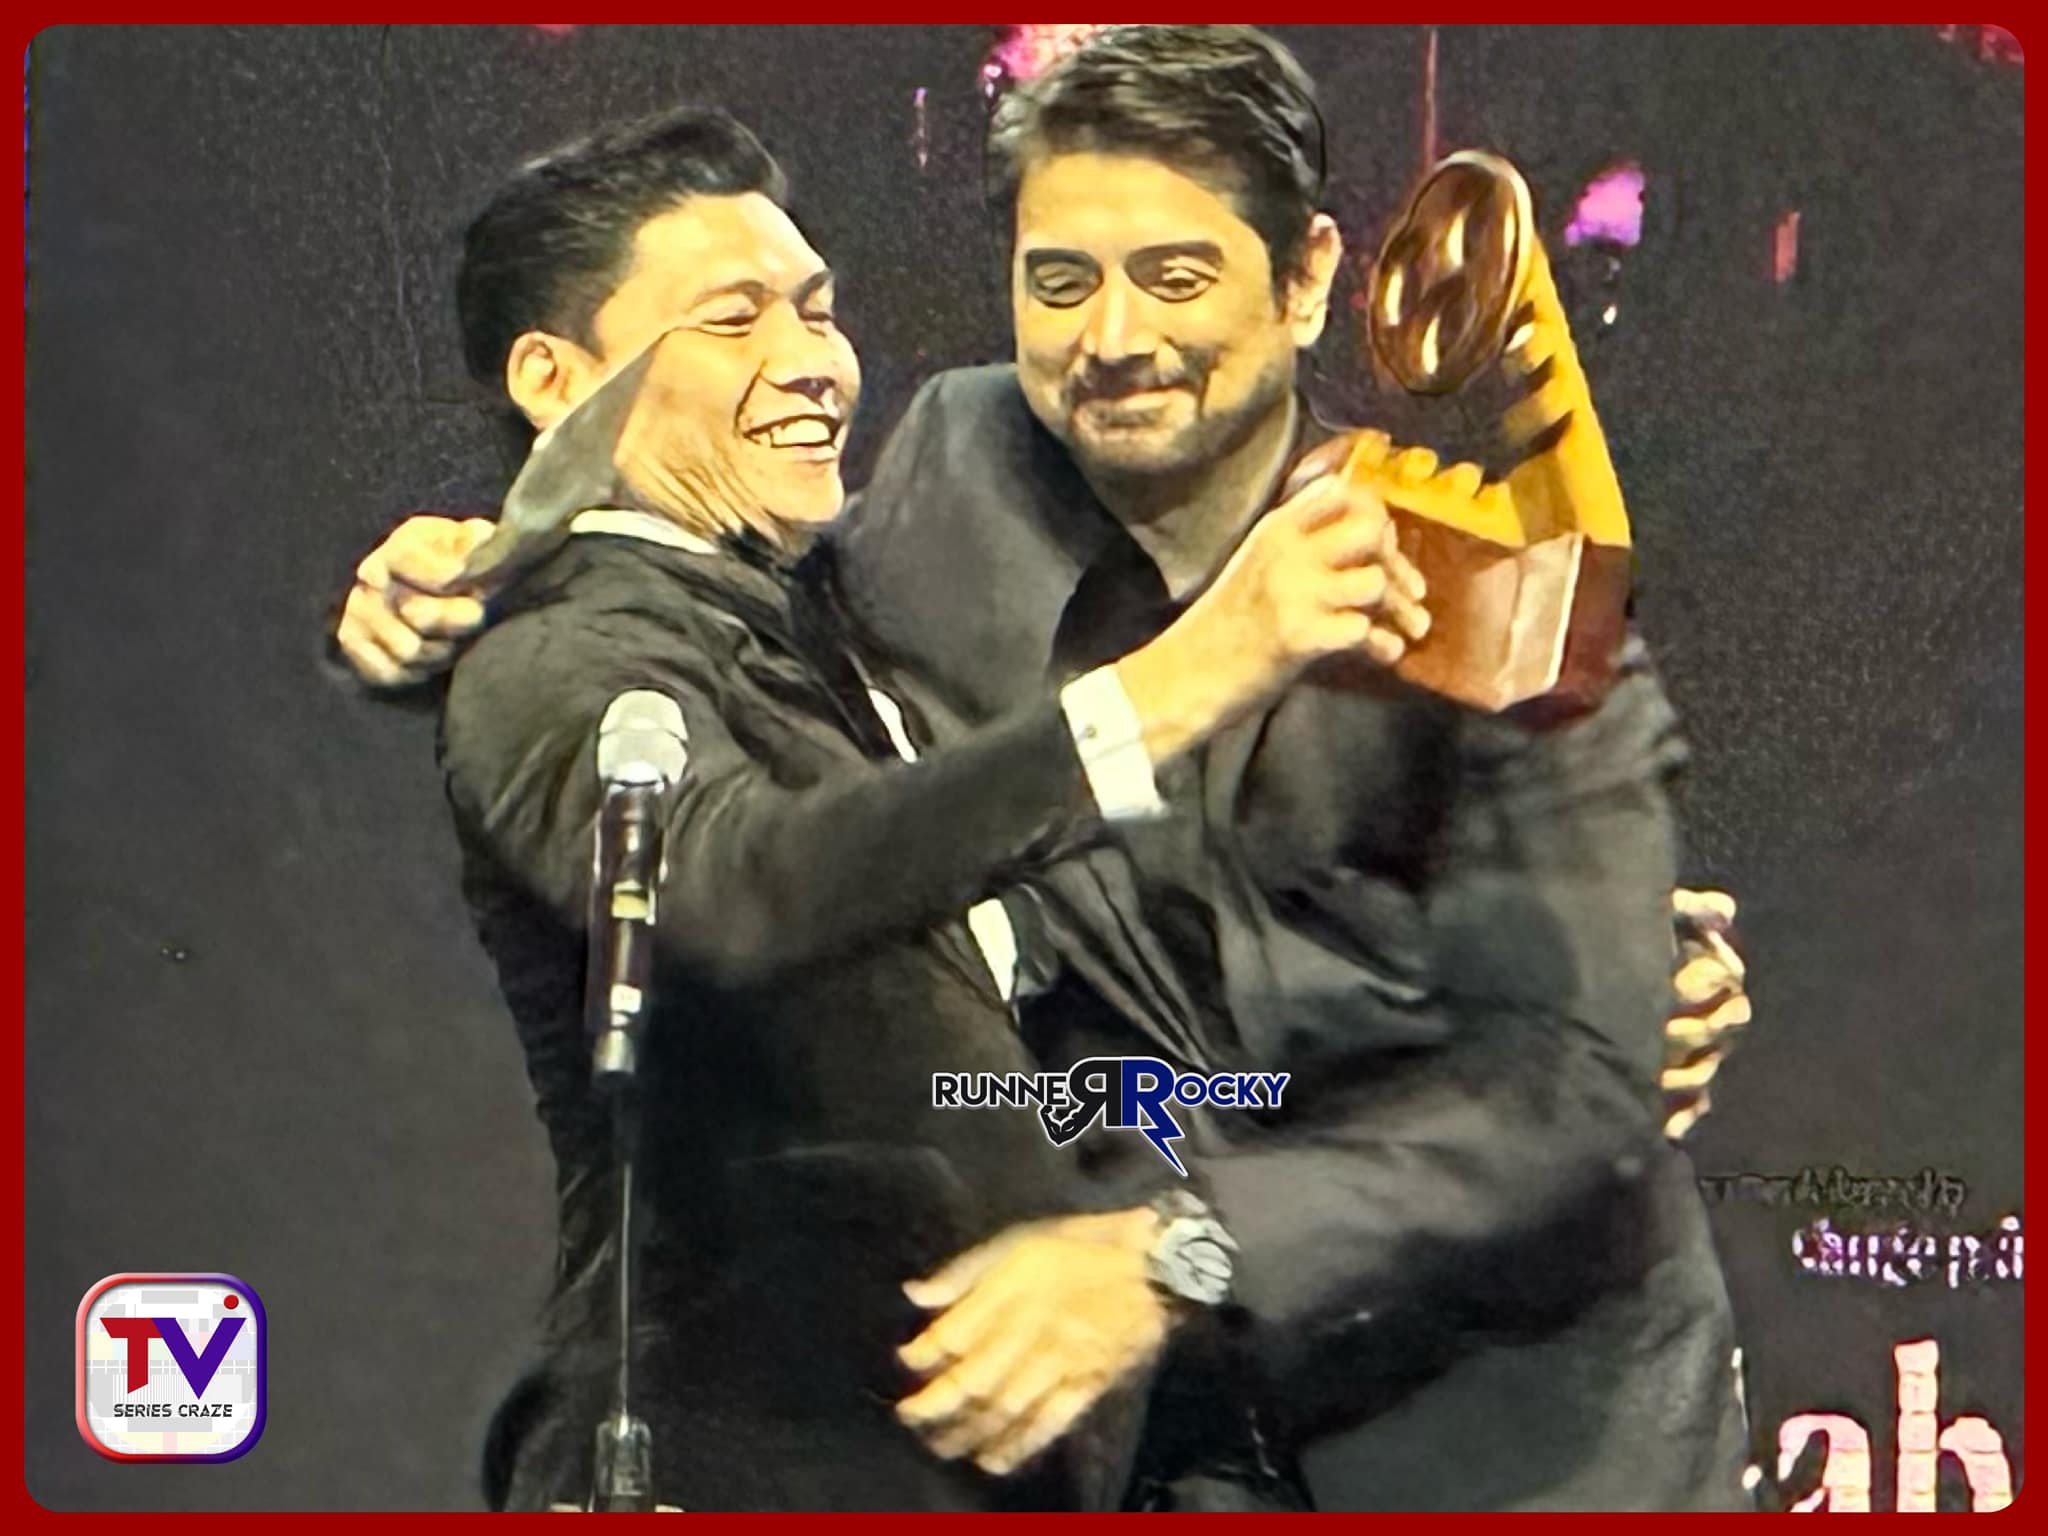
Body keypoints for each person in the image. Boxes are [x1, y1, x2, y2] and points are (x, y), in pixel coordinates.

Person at [336, 27, 1755, 1510]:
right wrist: (487, 561)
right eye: (1061, 282)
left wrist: (1177, 1249)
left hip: (1501, 1439)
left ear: (1309, 279)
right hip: (1147, 1441)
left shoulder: (1508, 599)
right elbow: (719, 690)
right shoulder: (950, 473)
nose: (1114, 338)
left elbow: (1570, 1089)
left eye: (1178, 277)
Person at [392, 103, 1435, 1511]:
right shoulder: (558, 652)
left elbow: (1073, 1054)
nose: (811, 360)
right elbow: (734, 888)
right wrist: (1176, 681)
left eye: (817, 310)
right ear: (553, 377)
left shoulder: (847, 643)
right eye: (734, 318)